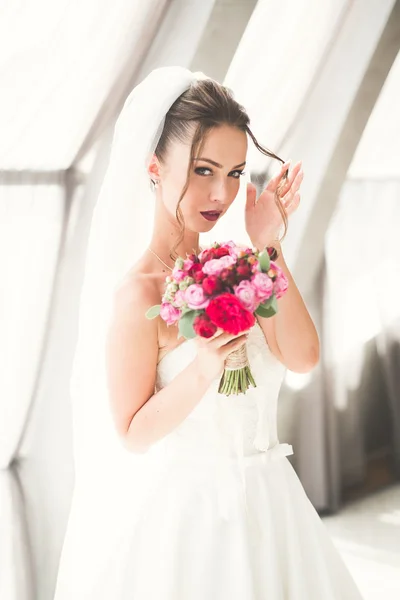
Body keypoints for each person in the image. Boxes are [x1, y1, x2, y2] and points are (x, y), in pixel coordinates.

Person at [53, 66, 364, 599]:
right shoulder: (139, 294)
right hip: (188, 524)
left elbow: (303, 356)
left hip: (274, 511)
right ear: (155, 167)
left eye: (236, 173)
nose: (221, 192)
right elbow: (131, 432)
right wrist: (204, 368)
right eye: (203, 169)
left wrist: (269, 243)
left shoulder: (241, 268)